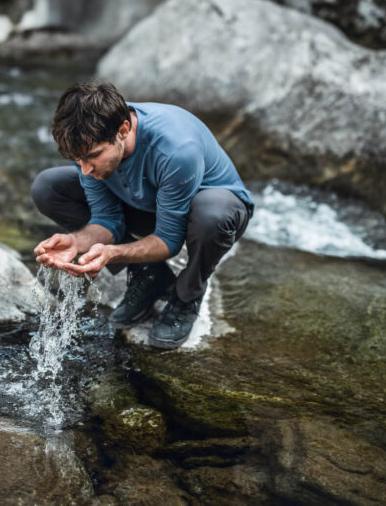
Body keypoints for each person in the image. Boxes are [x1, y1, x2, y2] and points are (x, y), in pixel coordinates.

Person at [31, 82, 253, 349]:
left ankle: (187, 295)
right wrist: (77, 242)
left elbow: (169, 240)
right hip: (147, 203)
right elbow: (106, 220)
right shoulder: (85, 145)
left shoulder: (176, 148)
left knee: (212, 215)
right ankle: (149, 275)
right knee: (48, 188)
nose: (85, 169)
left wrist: (113, 253)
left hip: (210, 211)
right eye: (78, 160)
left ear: (123, 130)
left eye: (93, 156)